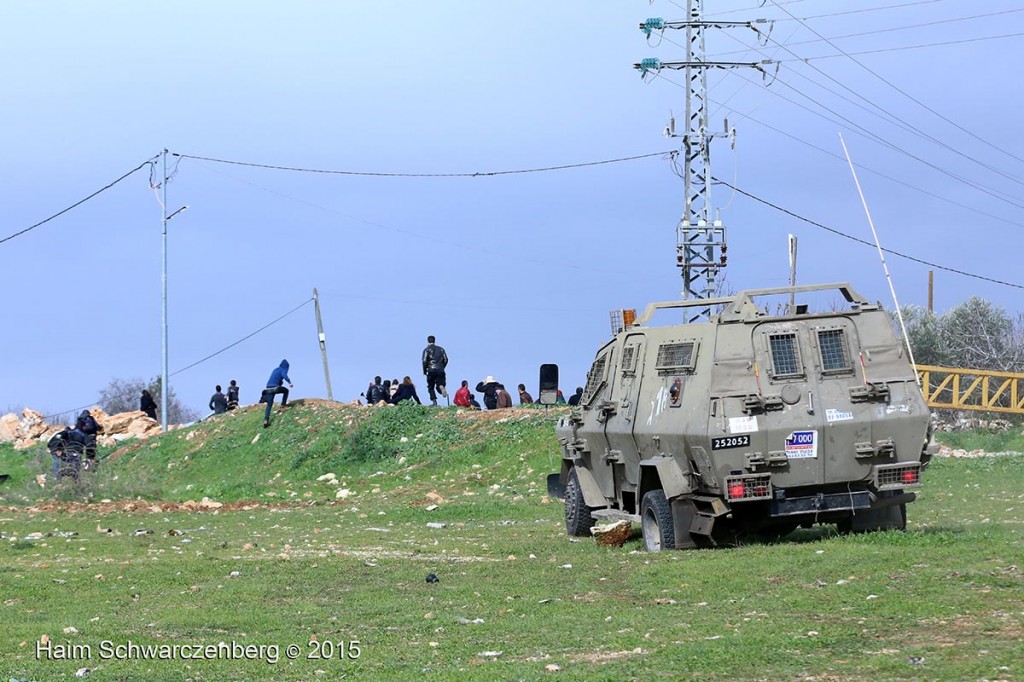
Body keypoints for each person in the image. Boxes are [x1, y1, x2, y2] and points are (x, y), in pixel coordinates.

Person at [262, 359, 293, 428]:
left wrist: (280, 383)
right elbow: (284, 375)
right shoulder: (283, 369)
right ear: (286, 367)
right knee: (286, 391)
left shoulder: (275, 369)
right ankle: (283, 406)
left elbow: (275, 379)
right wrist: (289, 382)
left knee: (269, 405)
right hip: (275, 388)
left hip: (268, 388)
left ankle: (266, 420)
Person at [422, 335, 449, 406]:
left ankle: (434, 401)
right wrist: (442, 367)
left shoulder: (426, 350)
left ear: (428, 341)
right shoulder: (441, 349)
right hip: (440, 369)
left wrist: (425, 371)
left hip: (431, 369)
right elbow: (446, 359)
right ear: (434, 341)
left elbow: (424, 361)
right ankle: (441, 386)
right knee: (440, 383)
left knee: (430, 386)